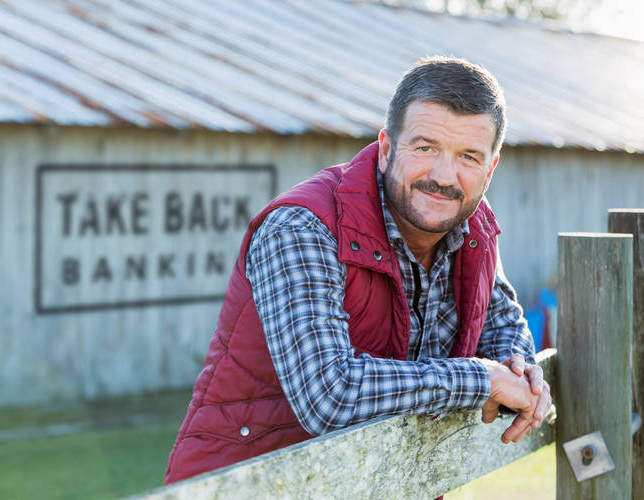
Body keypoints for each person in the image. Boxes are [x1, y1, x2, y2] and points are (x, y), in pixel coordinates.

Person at [163, 57, 552, 483]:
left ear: (490, 169)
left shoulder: (469, 221)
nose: (444, 176)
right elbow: (329, 395)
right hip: (251, 487)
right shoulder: (301, 227)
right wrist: (482, 378)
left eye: (469, 157)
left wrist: (521, 370)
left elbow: (500, 322)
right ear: (386, 150)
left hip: (378, 482)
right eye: (425, 148)